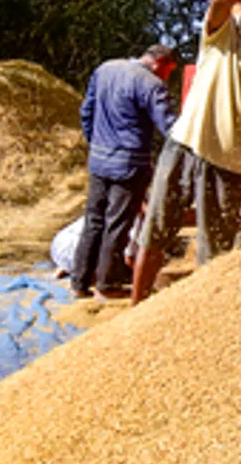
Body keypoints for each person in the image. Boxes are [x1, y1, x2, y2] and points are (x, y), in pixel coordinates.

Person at [131, 0, 241, 305]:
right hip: (184, 145)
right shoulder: (222, 34)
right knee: (154, 233)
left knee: (213, 254)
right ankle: (135, 310)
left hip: (227, 165)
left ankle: (203, 325)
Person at [72, 44, 177, 300]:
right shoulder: (150, 84)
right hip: (129, 165)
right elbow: (171, 127)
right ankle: (108, 284)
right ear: (160, 63)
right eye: (169, 72)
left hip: (99, 161)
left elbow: (86, 112)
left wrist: (95, 144)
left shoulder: (106, 69)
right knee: (117, 225)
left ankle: (79, 282)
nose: (166, 77)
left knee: (94, 221)